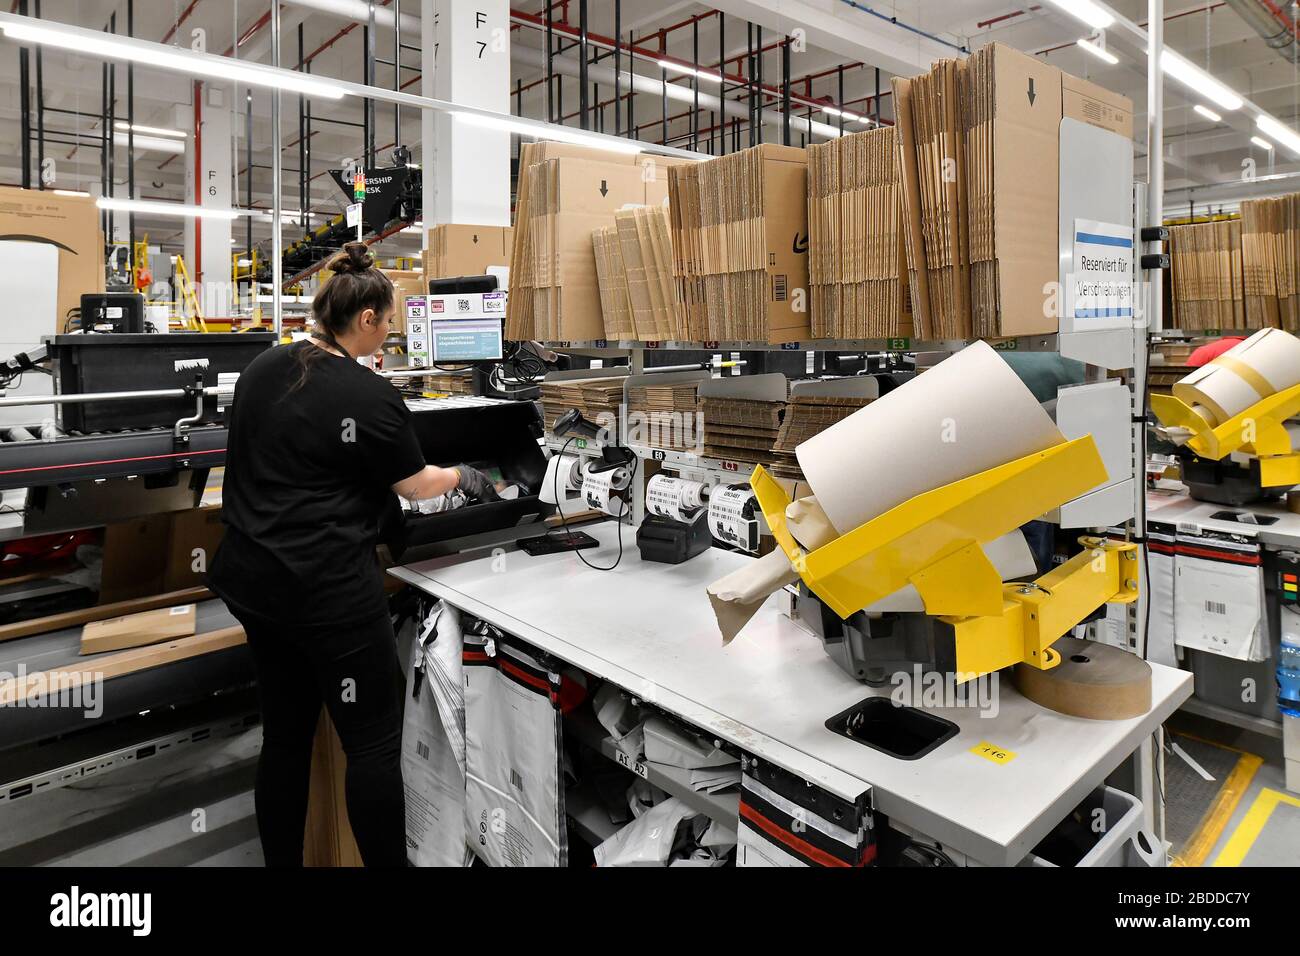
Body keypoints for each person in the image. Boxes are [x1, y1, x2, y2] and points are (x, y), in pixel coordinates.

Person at [209, 242, 498, 867]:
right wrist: (464, 477)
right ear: (365, 318)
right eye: (388, 322)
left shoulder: (263, 367)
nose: (389, 334)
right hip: (326, 593)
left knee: (285, 736)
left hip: (254, 585)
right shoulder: (366, 395)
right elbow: (414, 484)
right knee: (369, 744)